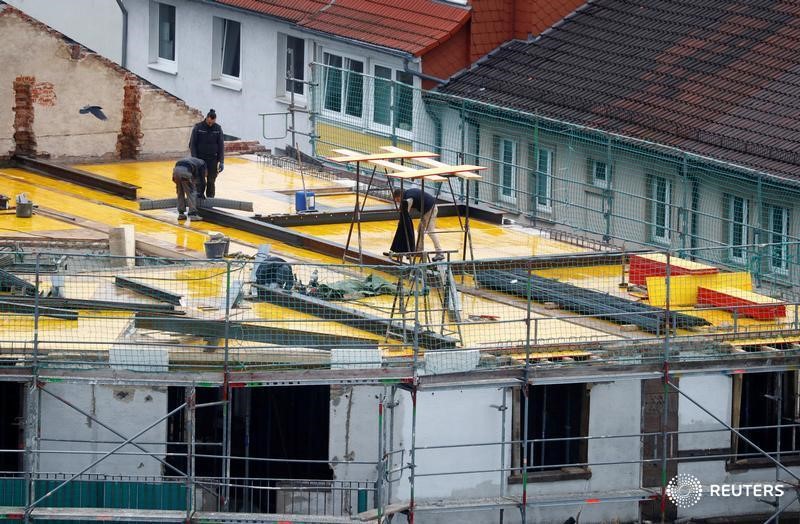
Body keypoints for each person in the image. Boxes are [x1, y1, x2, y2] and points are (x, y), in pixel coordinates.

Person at [392, 187, 443, 260]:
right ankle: (419, 250)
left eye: (397, 200)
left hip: (430, 209)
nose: (398, 202)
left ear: (400, 196)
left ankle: (439, 252)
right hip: (426, 210)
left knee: (430, 231)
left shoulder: (409, 198)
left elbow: (405, 212)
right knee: (420, 230)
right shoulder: (408, 193)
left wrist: (400, 222)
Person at [189, 109, 224, 198]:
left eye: (212, 122)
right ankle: (199, 200)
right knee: (200, 181)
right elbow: (192, 144)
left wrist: (221, 161)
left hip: (213, 160)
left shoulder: (218, 128)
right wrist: (195, 160)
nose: (210, 124)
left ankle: (210, 200)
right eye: (209, 122)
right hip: (200, 159)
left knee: (211, 182)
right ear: (207, 118)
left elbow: (221, 146)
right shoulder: (198, 127)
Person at [172, 157, 206, 221]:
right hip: (185, 172)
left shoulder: (193, 160)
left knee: (180, 192)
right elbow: (203, 181)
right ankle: (193, 214)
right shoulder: (202, 164)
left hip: (175, 171)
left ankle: (181, 214)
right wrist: (202, 193)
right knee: (191, 193)